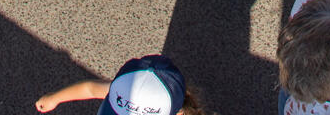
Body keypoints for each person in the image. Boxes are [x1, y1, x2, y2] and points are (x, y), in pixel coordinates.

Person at [35, 55, 206, 115]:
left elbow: (91, 88)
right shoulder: (122, 90)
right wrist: (54, 98)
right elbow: (90, 88)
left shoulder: (122, 90)